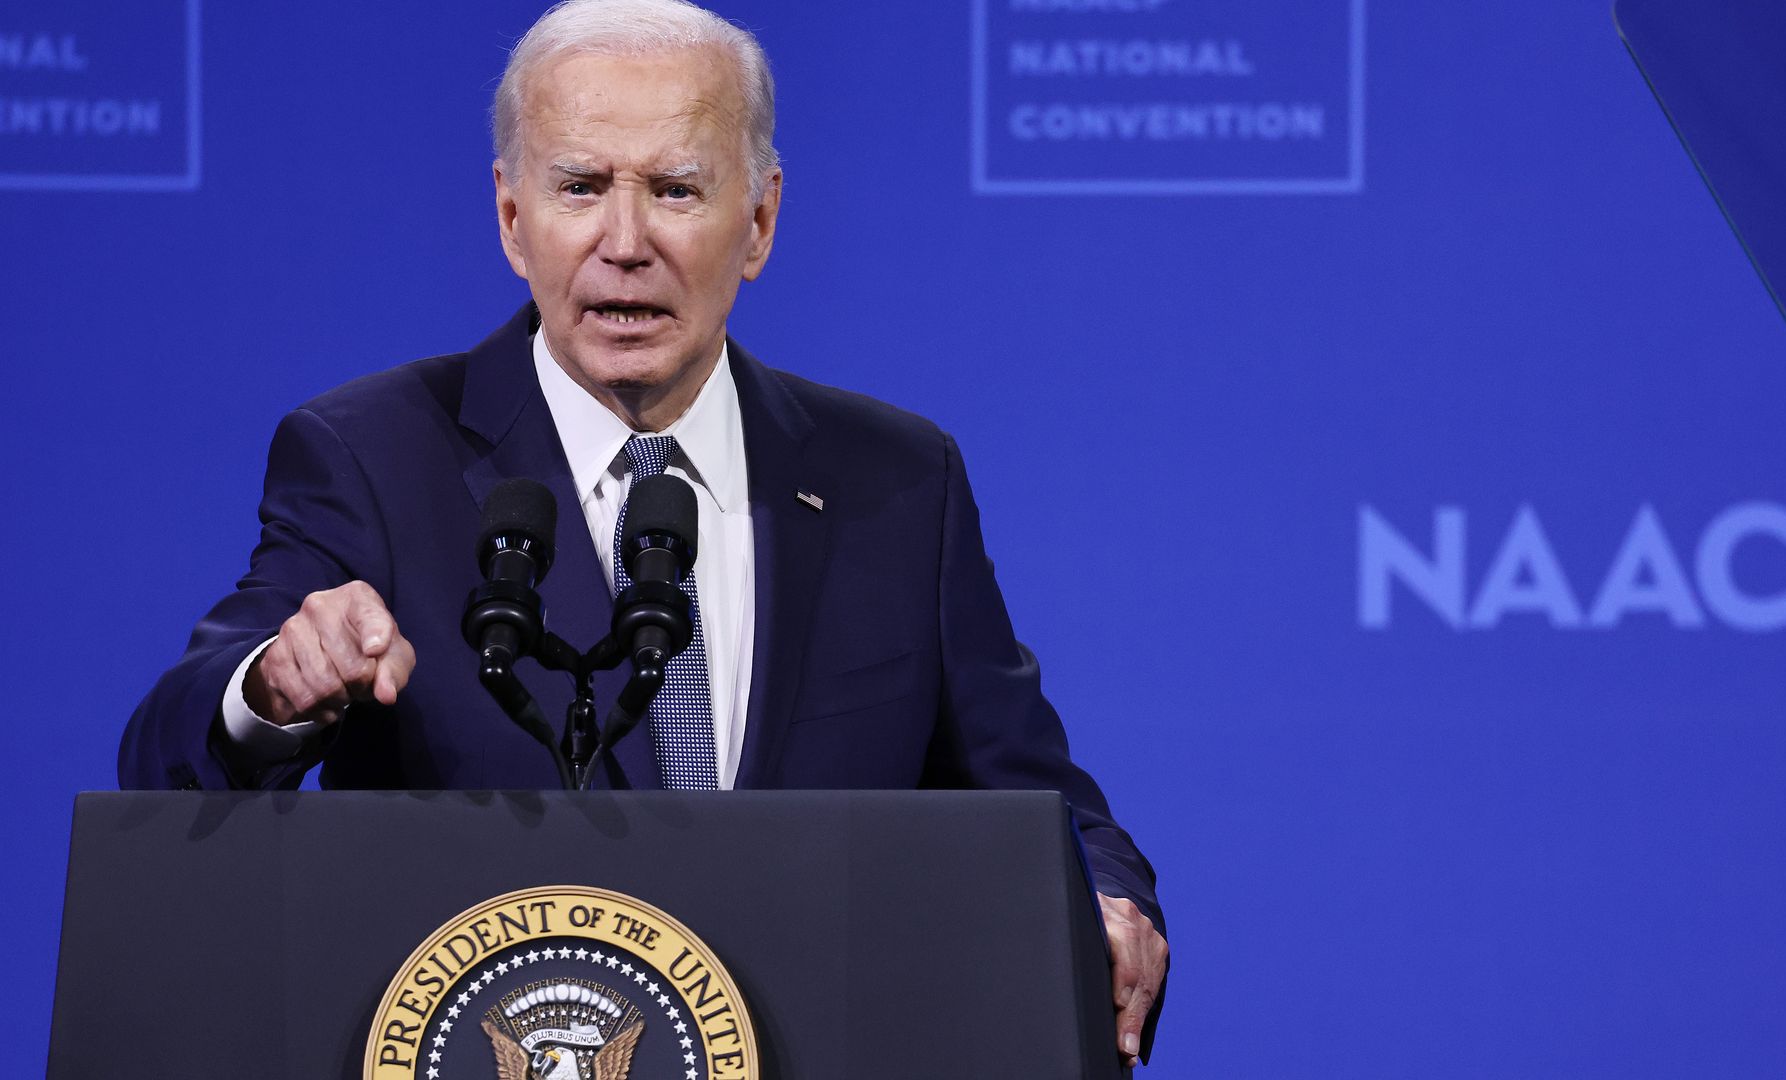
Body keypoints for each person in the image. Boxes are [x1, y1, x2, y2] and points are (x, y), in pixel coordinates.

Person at [118, 0, 1167, 1063]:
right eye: (581, 188)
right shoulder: (371, 455)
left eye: (675, 189)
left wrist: (1107, 900)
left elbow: (1041, 803)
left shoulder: (898, 479)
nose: (626, 244)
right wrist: (272, 688)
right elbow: (169, 758)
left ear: (757, 221)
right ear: (512, 218)